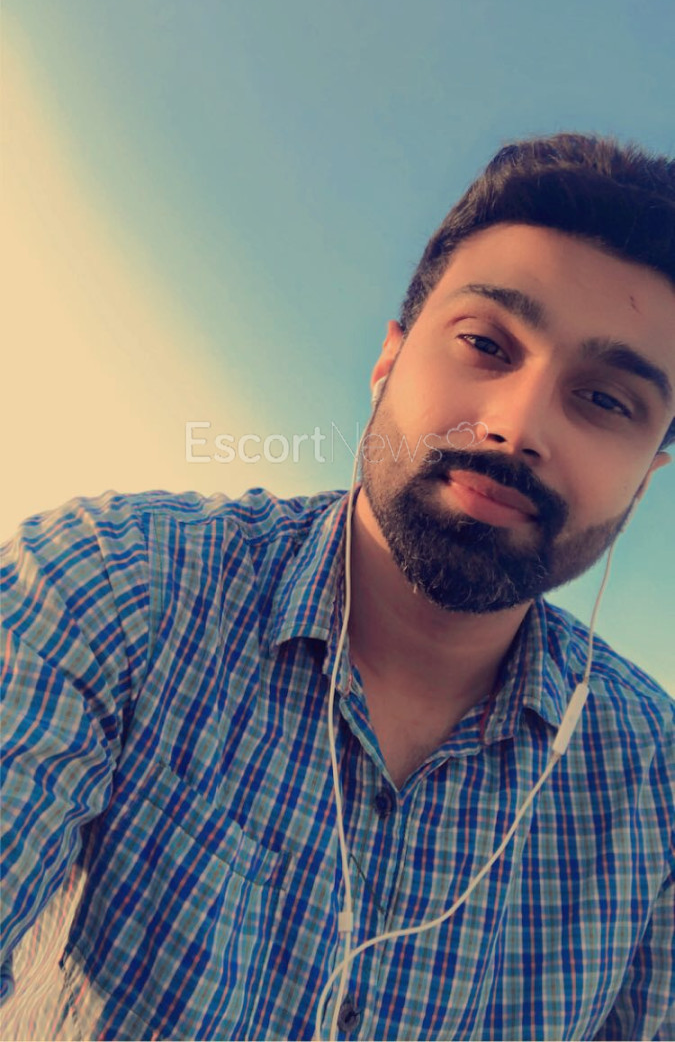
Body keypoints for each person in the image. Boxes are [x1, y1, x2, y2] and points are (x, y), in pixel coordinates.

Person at [1, 133, 673, 1042]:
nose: (516, 426)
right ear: (388, 360)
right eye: (484, 343)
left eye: (605, 400)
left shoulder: (655, 787)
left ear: (645, 475)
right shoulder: (111, 587)